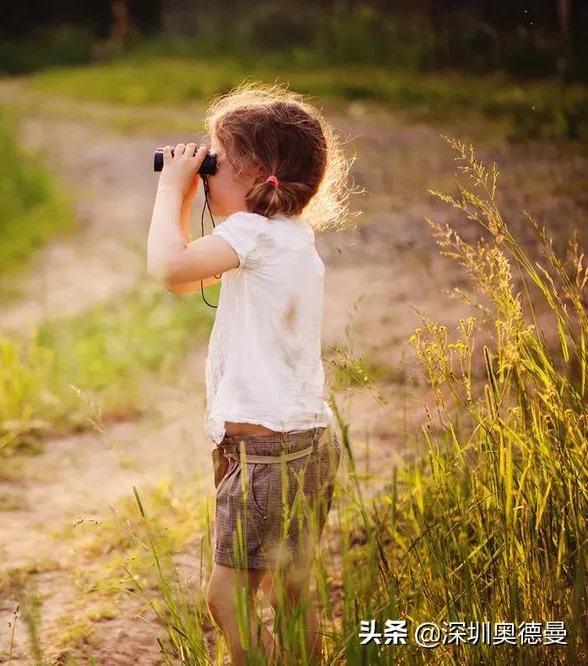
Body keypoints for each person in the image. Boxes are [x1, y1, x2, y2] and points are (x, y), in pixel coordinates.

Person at [146, 82, 353, 665]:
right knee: (292, 588)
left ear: (256, 170)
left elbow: (167, 269)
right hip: (301, 443)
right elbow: (188, 279)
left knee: (226, 599)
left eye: (212, 162)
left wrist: (170, 191)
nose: (202, 172)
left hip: (266, 451)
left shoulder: (253, 235)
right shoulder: (287, 236)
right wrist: (192, 194)